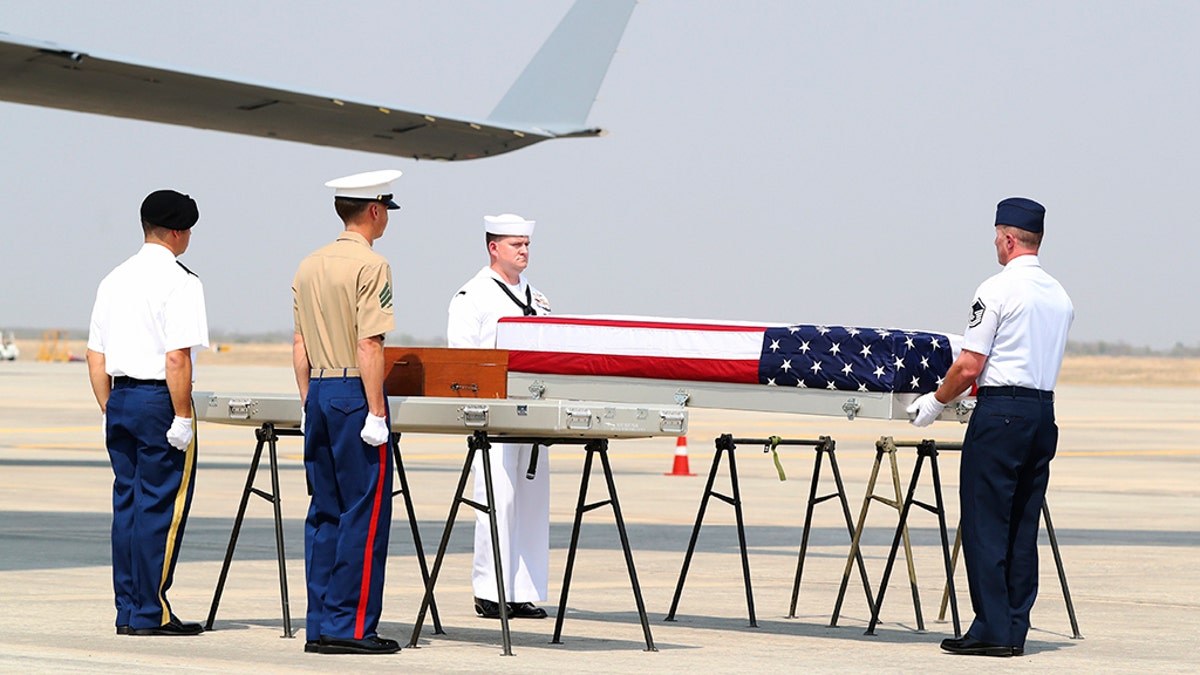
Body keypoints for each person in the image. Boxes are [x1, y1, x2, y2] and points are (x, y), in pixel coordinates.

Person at [908, 197, 1074, 657]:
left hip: (1001, 414)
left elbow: (969, 365)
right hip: (1042, 414)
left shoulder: (997, 289)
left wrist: (934, 403)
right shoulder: (1060, 295)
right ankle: (1014, 627)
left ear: (1006, 238)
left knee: (985, 522)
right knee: (1022, 524)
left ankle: (992, 630)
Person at [86, 189, 208, 636]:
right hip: (159, 401)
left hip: (119, 398)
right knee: (160, 508)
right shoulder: (181, 281)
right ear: (178, 232)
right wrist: (181, 417)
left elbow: (94, 355)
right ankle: (149, 611)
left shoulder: (113, 278)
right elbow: (177, 357)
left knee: (128, 506)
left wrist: (108, 407)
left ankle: (128, 609)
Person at [292, 169, 402, 655]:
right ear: (374, 211)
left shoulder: (308, 264)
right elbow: (369, 343)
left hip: (317, 389)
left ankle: (321, 621)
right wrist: (376, 412)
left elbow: (299, 344)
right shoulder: (372, 265)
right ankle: (350, 626)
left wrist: (306, 403)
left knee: (325, 511)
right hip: (354, 393)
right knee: (364, 512)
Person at [447, 213, 552, 620]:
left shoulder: (538, 298)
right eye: (515, 245)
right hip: (493, 414)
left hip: (533, 417)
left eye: (526, 245)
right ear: (494, 248)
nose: (524, 252)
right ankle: (489, 590)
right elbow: (461, 360)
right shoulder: (472, 296)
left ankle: (521, 589)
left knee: (530, 503)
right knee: (496, 500)